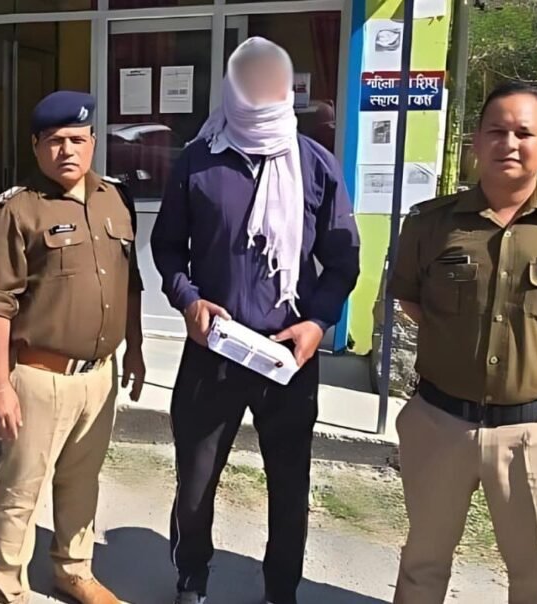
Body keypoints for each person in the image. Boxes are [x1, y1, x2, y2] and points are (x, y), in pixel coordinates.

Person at [389, 82, 537, 604]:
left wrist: (536, 352)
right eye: (496, 131)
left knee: (536, 576)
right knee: (423, 563)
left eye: (524, 133)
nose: (509, 143)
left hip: (536, 434)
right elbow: (412, 301)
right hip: (440, 424)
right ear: (476, 141)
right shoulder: (430, 224)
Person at [151, 37, 360, 604]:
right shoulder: (199, 161)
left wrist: (317, 323)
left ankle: (280, 592)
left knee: (288, 488)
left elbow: (344, 261)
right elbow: (167, 246)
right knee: (195, 484)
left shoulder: (315, 165)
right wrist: (188, 300)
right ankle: (191, 579)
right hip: (213, 352)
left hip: (288, 357)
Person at [0, 90, 147, 604]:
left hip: (99, 376)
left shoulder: (116, 199)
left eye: (76, 138)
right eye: (54, 140)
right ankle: (9, 591)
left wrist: (136, 349)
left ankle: (73, 570)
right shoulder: (15, 211)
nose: (66, 150)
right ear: (36, 146)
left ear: (93, 141)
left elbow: (131, 284)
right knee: (20, 492)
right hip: (39, 377)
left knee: (82, 481)